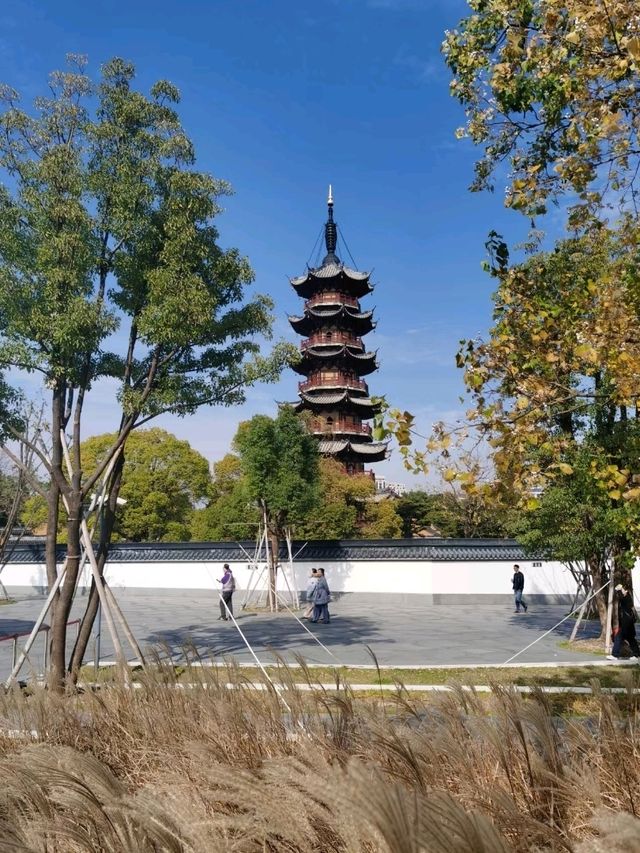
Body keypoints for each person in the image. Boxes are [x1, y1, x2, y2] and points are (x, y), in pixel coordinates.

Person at [607, 583, 640, 660]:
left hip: (627, 623)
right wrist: (618, 590)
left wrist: (621, 588)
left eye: (623, 591)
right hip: (628, 623)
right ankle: (636, 654)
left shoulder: (627, 598)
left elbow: (623, 595)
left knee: (618, 636)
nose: (622, 592)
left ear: (626, 591)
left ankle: (615, 655)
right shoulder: (626, 599)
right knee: (631, 639)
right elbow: (620, 597)